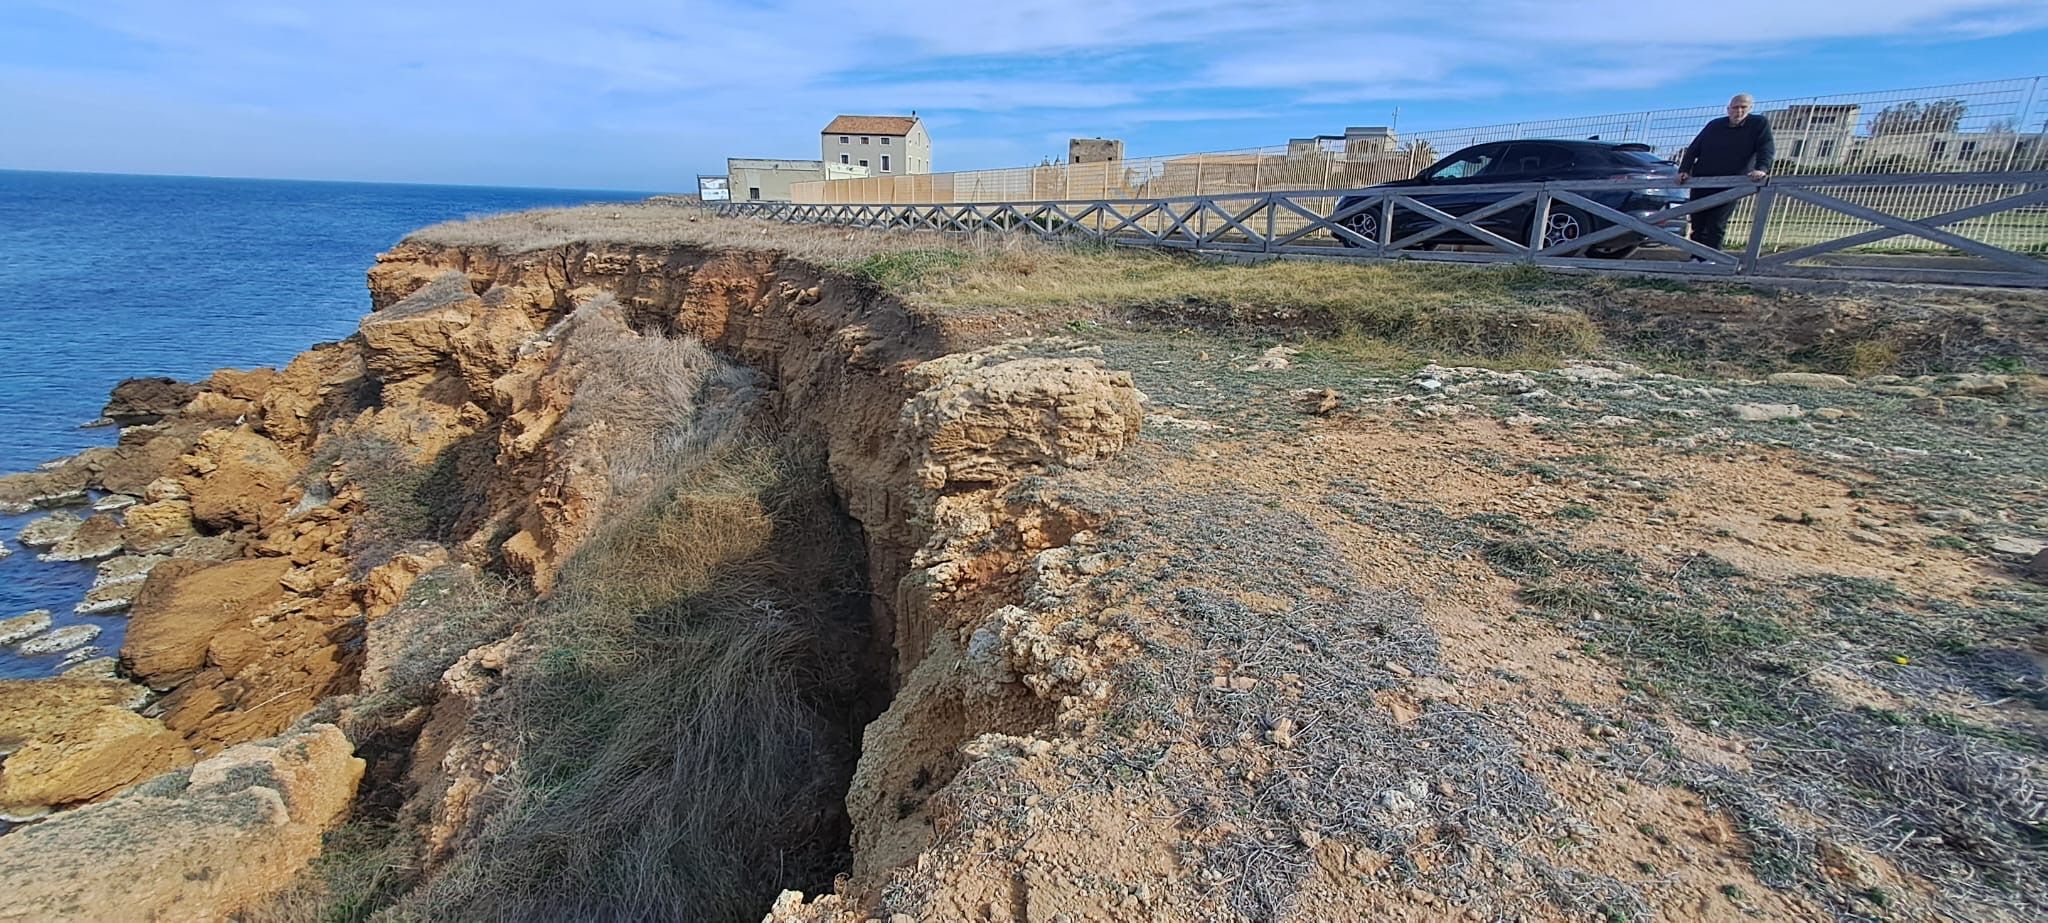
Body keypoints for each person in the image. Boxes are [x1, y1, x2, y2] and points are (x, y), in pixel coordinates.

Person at [1678, 94, 1775, 252]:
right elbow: (1694, 148)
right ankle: (1696, 257)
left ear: (1750, 109)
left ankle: (1713, 258)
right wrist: (1684, 170)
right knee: (1697, 221)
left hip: (1732, 182)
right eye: (1735, 107)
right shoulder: (1714, 125)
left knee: (1716, 223)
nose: (1738, 111)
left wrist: (1761, 169)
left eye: (1743, 107)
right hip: (1703, 179)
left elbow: (1766, 148)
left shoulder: (1758, 124)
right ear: (1728, 109)